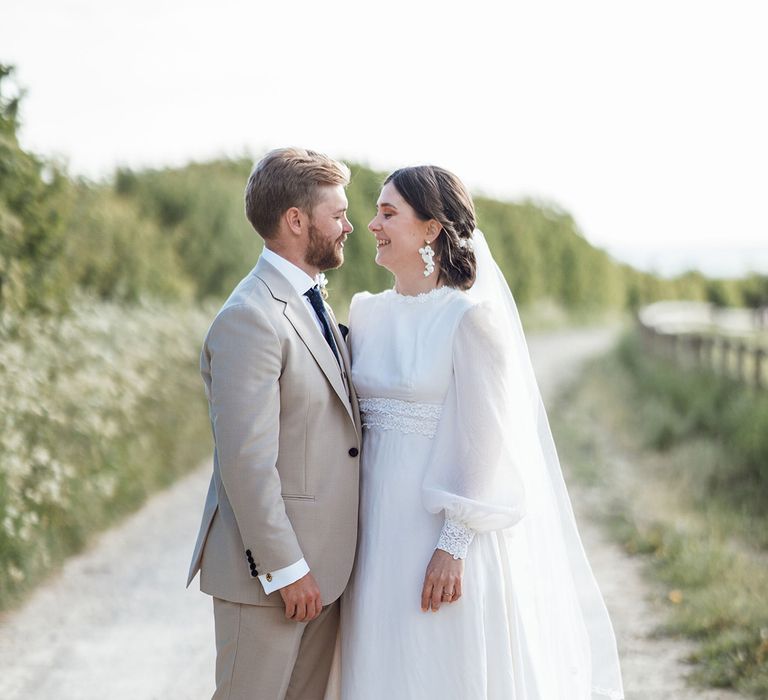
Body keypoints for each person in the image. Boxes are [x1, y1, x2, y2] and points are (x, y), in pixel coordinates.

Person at [336, 166, 624, 699]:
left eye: (388, 212)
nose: (371, 223)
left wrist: (453, 543)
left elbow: (485, 439)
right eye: (375, 211)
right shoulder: (367, 314)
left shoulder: (470, 319)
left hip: (437, 537)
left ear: (430, 228)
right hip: (374, 532)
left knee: (439, 668)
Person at [187, 147, 362, 700]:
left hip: (323, 572)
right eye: (337, 214)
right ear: (296, 220)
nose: (348, 226)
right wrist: (286, 570)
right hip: (271, 578)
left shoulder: (307, 298)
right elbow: (246, 463)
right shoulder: (251, 318)